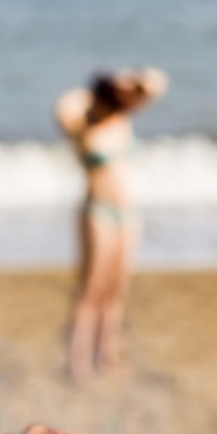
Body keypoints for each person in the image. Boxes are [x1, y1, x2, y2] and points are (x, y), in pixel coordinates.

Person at [55, 67, 168, 382]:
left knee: (117, 287)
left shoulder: (124, 120)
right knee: (91, 288)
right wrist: (103, 85)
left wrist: (134, 79)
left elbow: (157, 84)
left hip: (128, 213)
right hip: (97, 209)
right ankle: (77, 360)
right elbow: (63, 108)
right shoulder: (85, 121)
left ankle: (107, 353)